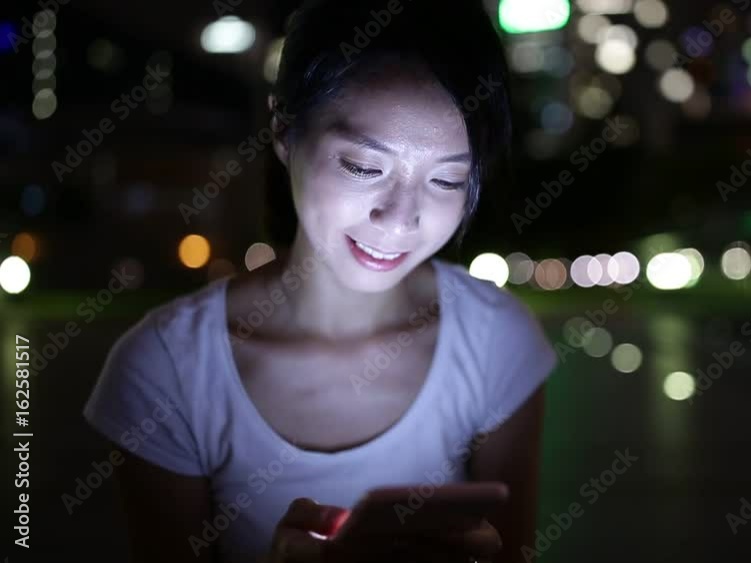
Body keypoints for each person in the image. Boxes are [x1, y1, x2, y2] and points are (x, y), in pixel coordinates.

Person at [82, 1, 557, 561]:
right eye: (363, 167)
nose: (402, 218)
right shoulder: (166, 369)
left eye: (448, 178)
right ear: (284, 131)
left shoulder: (497, 340)